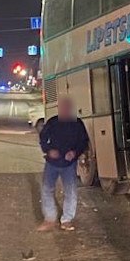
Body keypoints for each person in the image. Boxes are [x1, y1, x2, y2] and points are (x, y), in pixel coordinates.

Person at [37, 95, 89, 231]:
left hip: (68, 164)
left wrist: (74, 153)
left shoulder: (77, 124)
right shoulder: (52, 122)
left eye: (66, 108)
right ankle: (49, 219)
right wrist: (48, 150)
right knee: (47, 189)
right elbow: (43, 139)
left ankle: (66, 220)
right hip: (52, 163)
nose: (64, 110)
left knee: (70, 191)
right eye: (62, 108)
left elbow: (84, 142)